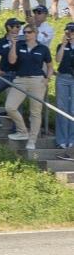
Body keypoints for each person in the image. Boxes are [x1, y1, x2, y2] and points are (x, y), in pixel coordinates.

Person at [2, 22, 51, 143]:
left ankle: (32, 140)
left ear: (35, 33)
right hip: (20, 79)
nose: (26, 34)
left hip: (37, 80)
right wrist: (13, 45)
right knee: (10, 107)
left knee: (35, 112)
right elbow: (12, 61)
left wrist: (47, 79)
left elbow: (50, 66)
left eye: (29, 32)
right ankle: (23, 131)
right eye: (24, 32)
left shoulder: (43, 48)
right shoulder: (19, 45)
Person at [55, 23, 74, 159]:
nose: (70, 33)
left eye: (72, 31)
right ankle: (61, 140)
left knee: (73, 110)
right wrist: (63, 44)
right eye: (68, 31)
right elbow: (57, 60)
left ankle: (71, 141)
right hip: (62, 78)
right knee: (62, 108)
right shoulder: (62, 45)